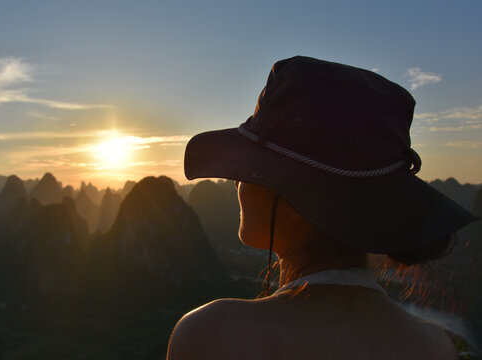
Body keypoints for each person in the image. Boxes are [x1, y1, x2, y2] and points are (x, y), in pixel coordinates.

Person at [166, 56, 478, 359]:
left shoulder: (214, 335)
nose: (236, 183)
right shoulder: (436, 347)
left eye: (248, 172)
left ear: (293, 199)